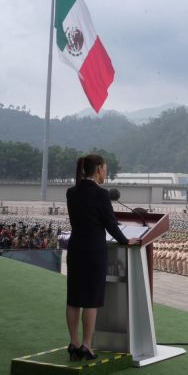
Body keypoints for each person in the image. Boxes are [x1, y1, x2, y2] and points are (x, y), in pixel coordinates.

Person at [66, 154, 141, 361]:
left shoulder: (71, 192)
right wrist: (127, 241)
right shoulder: (101, 195)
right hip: (93, 251)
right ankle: (87, 345)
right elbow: (110, 224)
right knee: (91, 299)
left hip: (75, 249)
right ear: (98, 169)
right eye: (105, 169)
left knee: (73, 299)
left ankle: (73, 343)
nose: (106, 173)